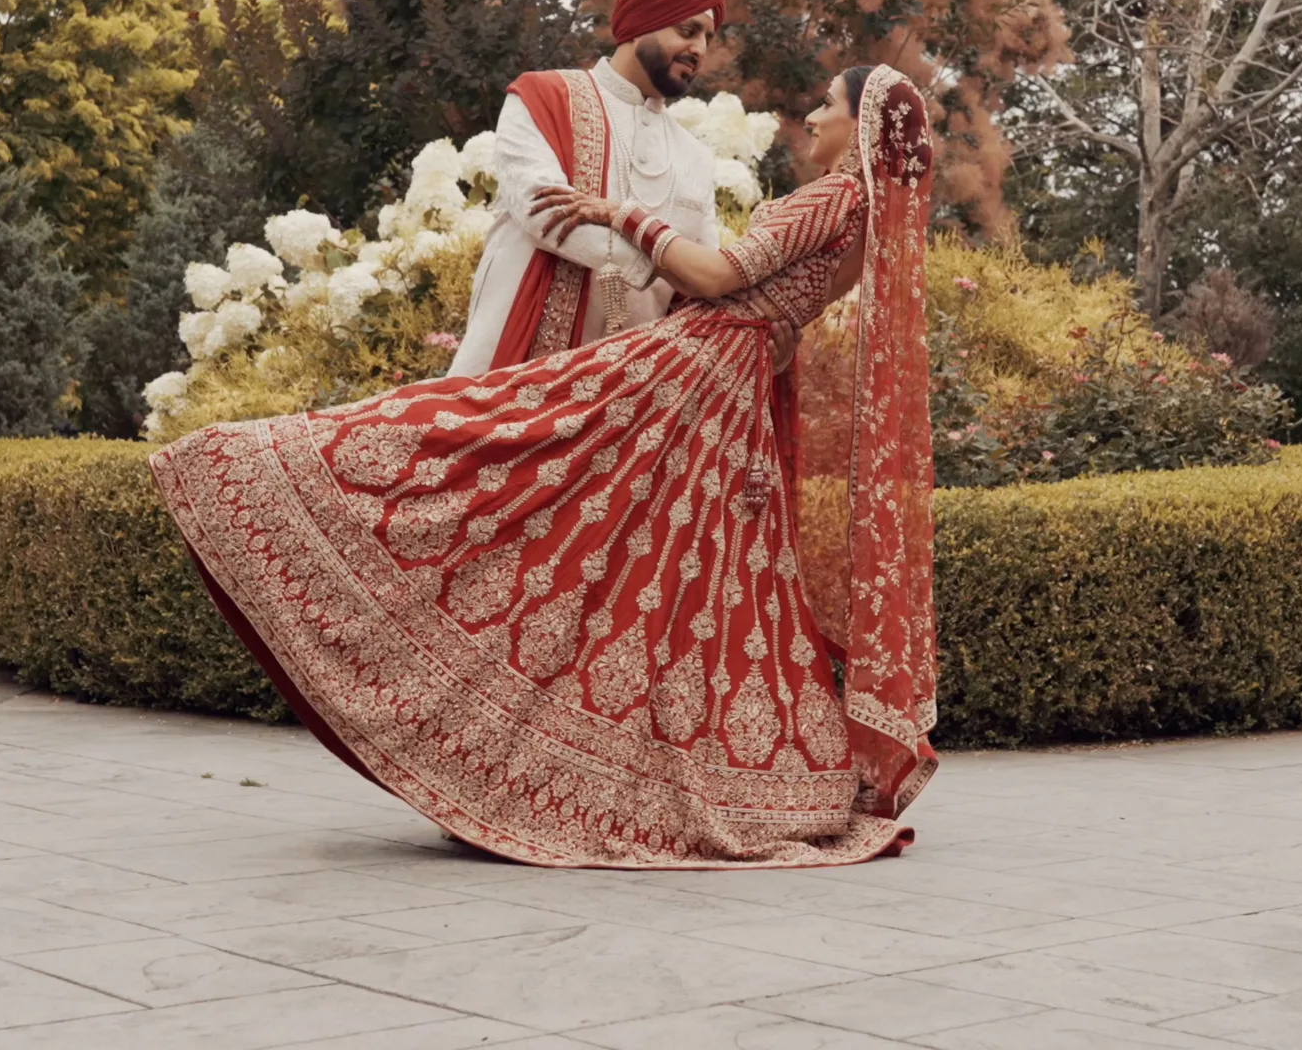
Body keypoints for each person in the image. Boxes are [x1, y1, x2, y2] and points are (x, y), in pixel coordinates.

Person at [150, 66, 937, 869]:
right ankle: (758, 782)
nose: (811, 113)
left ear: (863, 128)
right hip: (723, 393)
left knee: (509, 448)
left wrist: (619, 212)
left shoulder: (834, 197)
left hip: (689, 374)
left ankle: (258, 466)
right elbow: (782, 315)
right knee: (660, 581)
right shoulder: (871, 222)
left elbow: (718, 278)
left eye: (828, 105)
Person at [447, 0, 728, 378]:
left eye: (708, 37)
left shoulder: (696, 158)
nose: (700, 49)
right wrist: (671, 265)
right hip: (516, 369)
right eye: (687, 31)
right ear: (639, 25)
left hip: (625, 398)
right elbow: (545, 212)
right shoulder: (544, 97)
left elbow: (707, 278)